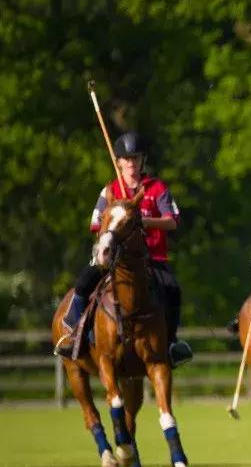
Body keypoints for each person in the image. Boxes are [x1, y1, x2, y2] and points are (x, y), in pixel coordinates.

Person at [56, 132, 193, 365]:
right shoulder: (110, 190)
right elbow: (96, 224)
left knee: (173, 289)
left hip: (151, 257)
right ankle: (74, 332)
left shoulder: (157, 188)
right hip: (114, 258)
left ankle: (171, 342)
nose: (131, 163)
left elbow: (172, 221)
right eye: (126, 158)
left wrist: (144, 221)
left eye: (135, 158)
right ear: (118, 162)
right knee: (83, 283)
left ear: (142, 160)